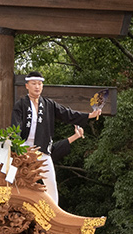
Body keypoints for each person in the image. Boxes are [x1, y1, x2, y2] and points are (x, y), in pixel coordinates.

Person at [10, 71, 100, 203]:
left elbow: (67, 114)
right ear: (27, 86)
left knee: (51, 185)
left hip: (41, 149)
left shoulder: (49, 105)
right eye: (34, 83)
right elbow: (15, 126)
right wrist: (17, 148)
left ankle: (54, 213)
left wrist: (89, 116)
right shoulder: (20, 104)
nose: (37, 86)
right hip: (23, 149)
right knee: (11, 179)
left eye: (39, 84)